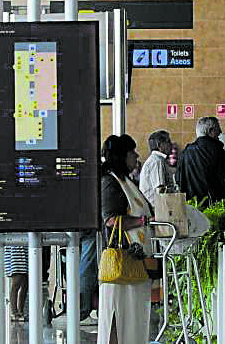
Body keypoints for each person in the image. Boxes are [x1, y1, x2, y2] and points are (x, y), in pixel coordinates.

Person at [97, 134, 153, 344]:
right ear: (122, 156)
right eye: (132, 153)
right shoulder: (109, 182)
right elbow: (110, 219)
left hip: (135, 259)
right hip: (120, 258)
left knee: (132, 317)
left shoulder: (125, 180)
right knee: (117, 316)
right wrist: (143, 221)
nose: (136, 156)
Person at [176, 116, 225, 205]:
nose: (221, 132)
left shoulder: (185, 152)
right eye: (218, 129)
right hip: (213, 206)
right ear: (210, 131)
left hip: (191, 206)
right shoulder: (217, 151)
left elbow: (179, 179)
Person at [139, 130, 175, 206]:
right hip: (155, 208)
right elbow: (160, 189)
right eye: (168, 141)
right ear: (159, 145)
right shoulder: (157, 161)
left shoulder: (157, 159)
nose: (171, 144)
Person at [4, 244, 28, 322]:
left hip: (25, 248)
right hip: (15, 250)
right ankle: (14, 312)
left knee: (25, 283)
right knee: (16, 282)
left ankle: (20, 311)